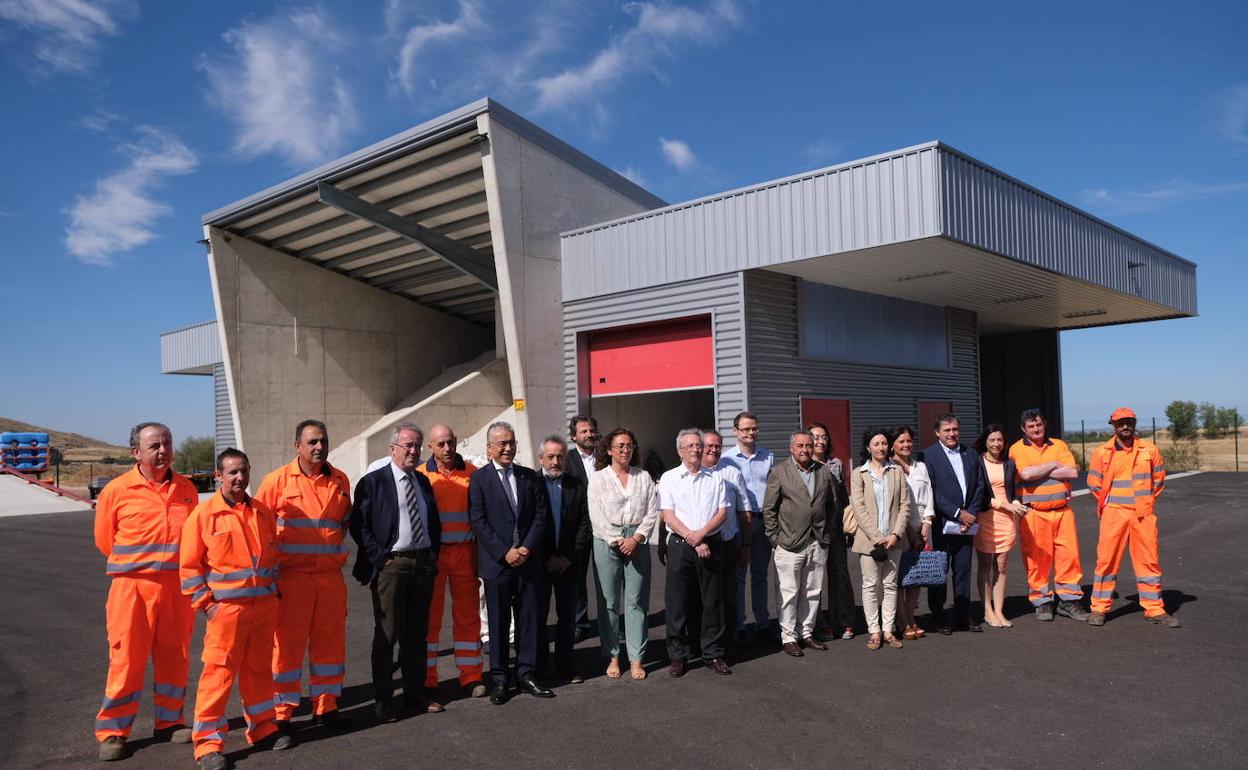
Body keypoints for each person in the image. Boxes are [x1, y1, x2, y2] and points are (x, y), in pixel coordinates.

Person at [93, 423, 199, 762]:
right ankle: (113, 731)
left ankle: (169, 722)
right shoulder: (117, 490)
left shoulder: (186, 489)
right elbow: (104, 540)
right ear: (136, 452)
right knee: (126, 660)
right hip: (132, 589)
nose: (162, 450)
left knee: (175, 656)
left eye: (167, 443)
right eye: (154, 445)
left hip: (175, 590)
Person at [181, 449, 291, 770]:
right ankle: (207, 745)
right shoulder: (204, 516)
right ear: (218, 476)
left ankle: (263, 727)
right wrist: (208, 606)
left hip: (262, 609)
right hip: (226, 612)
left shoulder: (261, 512)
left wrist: (274, 596)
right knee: (219, 674)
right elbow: (189, 568)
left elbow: (272, 559)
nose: (239, 478)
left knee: (258, 670)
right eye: (232, 472)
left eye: (243, 471)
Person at [254, 420, 352, 733]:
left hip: (329, 579)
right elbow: (259, 531)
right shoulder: (276, 482)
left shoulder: (340, 480)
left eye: (323, 440)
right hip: (290, 580)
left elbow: (343, 524)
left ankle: (326, 705)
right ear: (298, 445)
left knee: (330, 643)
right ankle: (282, 711)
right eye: (312, 442)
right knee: (286, 646)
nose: (319, 447)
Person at [349, 422, 444, 722]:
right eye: (408, 446)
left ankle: (415, 693)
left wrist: (431, 555)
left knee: (417, 634)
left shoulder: (423, 482)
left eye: (417, 445)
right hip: (391, 566)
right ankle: (384, 699)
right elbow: (359, 525)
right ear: (392, 449)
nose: (414, 451)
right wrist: (380, 558)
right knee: (387, 635)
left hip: (421, 564)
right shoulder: (373, 482)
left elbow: (433, 522)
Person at [468, 421, 554, 704]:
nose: (508, 448)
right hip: (498, 563)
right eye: (502, 443)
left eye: (512, 442)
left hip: (528, 562)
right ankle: (501, 678)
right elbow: (478, 521)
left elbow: (541, 516)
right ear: (489, 448)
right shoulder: (479, 480)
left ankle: (527, 673)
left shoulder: (530, 477)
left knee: (529, 620)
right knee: (498, 621)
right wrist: (505, 552)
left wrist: (526, 547)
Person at [1086, 407, 1178, 627]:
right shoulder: (1102, 452)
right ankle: (1099, 608)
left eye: (1129, 422)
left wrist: (1144, 501)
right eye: (1120, 423)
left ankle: (1154, 609)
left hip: (1142, 515)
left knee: (1149, 562)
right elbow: (1093, 483)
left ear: (1134, 424)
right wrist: (1111, 504)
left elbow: (1159, 481)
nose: (1125, 426)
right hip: (1113, 514)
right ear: (1113, 425)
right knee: (1106, 562)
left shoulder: (1150, 450)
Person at [415, 425, 486, 698]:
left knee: (468, 617)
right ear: (430, 448)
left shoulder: (472, 474)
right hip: (433, 555)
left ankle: (471, 676)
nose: (447, 449)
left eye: (450, 442)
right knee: (429, 619)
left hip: (464, 552)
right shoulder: (420, 476)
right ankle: (428, 678)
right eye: (440, 444)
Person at [587, 428, 659, 681]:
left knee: (636, 601)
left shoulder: (644, 477)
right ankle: (613, 655)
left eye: (629, 445)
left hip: (637, 540)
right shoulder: (598, 479)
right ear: (608, 450)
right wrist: (619, 540)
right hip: (607, 541)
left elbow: (652, 510)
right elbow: (596, 514)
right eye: (620, 446)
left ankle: (636, 658)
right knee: (608, 602)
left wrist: (637, 538)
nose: (626, 450)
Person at [1008, 409, 1089, 622]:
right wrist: (1054, 465)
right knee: (1036, 559)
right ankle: (1042, 601)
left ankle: (1069, 601)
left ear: (1044, 424)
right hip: (1034, 514)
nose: (1036, 429)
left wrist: (1040, 469)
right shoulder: (1018, 449)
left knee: (1069, 557)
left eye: (1039, 425)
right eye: (1031, 426)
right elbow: (1025, 473)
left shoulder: (1059, 445)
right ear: (1023, 429)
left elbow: (1072, 472)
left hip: (1063, 513)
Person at [662, 428, 731, 677]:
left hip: (710, 544)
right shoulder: (669, 478)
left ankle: (712, 653)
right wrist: (693, 537)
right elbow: (667, 515)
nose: (696, 449)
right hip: (681, 546)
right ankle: (678, 656)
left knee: (712, 602)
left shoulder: (716, 478)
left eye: (698, 445)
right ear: (680, 451)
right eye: (690, 446)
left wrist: (701, 534)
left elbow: (722, 513)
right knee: (677, 602)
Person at [762, 430, 838, 657]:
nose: (805, 450)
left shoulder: (824, 471)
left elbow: (832, 505)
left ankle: (806, 633)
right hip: (789, 543)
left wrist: (827, 533)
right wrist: (775, 538)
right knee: (788, 592)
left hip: (817, 542)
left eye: (808, 445)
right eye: (800, 446)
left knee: (812, 591)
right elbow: (769, 509)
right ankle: (788, 637)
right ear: (791, 449)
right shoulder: (779, 472)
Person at [923, 413, 987, 634]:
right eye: (947, 430)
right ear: (937, 432)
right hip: (943, 524)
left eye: (955, 429)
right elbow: (932, 490)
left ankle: (962, 615)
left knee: (963, 570)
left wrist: (971, 514)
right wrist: (958, 514)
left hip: (967, 525)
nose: (952, 434)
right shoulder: (928, 456)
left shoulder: (971, 454)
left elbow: (980, 485)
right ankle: (939, 616)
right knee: (939, 571)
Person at [535, 435, 591, 682]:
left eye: (560, 457)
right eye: (550, 457)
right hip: (539, 563)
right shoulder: (531, 484)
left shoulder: (576, 485)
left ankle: (565, 664)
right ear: (541, 459)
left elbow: (584, 523)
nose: (556, 461)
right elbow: (528, 525)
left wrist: (568, 556)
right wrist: (546, 557)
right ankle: (539, 666)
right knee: (537, 616)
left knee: (568, 616)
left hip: (569, 563)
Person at [850, 429, 911, 650]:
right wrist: (877, 538)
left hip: (894, 540)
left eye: (884, 443)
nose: (881, 447)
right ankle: (874, 631)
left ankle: (888, 630)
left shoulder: (897, 472)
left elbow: (905, 506)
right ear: (868, 447)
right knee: (870, 585)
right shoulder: (859, 473)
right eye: (876, 444)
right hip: (869, 541)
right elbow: (858, 508)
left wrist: (895, 534)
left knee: (890, 585)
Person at [698, 429, 751, 651]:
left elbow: (744, 509)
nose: (713, 449)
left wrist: (746, 545)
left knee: (729, 593)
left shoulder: (731, 472)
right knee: (703, 595)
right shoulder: (692, 472)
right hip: (700, 542)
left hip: (728, 540)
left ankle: (729, 636)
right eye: (709, 445)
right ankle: (702, 639)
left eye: (718, 445)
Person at [725, 411, 774, 644]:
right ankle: (739, 624)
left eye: (753, 428)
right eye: (745, 429)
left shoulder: (768, 456)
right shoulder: (727, 459)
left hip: (763, 521)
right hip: (739, 522)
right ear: (736, 431)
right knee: (739, 575)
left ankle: (763, 623)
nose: (750, 433)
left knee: (760, 575)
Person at [974, 424, 1026, 628]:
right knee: (985, 567)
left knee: (1001, 567)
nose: (996, 444)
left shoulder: (1009, 464)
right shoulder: (977, 463)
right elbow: (978, 494)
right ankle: (987, 611)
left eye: (1000, 440)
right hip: (986, 517)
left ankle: (999, 611)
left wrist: (1014, 503)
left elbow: (1012, 492)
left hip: (1007, 519)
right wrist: (1001, 503)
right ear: (985, 442)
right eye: (992, 440)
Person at [809, 422, 856, 641]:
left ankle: (844, 620)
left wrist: (849, 527)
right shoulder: (804, 465)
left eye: (823, 437)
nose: (820, 441)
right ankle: (819, 623)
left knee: (839, 576)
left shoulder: (835, 464)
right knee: (814, 579)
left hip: (836, 530)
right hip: (813, 532)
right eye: (815, 437)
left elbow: (845, 499)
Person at [889, 426, 934, 640]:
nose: (906, 445)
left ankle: (911, 617)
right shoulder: (889, 468)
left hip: (922, 528)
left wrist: (926, 523)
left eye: (908, 441)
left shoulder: (921, 467)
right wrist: (908, 531)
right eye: (901, 441)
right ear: (893, 445)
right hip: (899, 530)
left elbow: (929, 497)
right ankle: (902, 621)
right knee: (898, 578)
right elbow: (896, 504)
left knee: (915, 576)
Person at [562, 414, 600, 642]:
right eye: (583, 431)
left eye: (591, 430)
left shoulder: (606, 457)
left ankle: (612, 622)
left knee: (609, 578)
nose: (588, 434)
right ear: (574, 436)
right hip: (580, 529)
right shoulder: (566, 460)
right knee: (576, 578)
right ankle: (579, 621)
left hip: (606, 527)